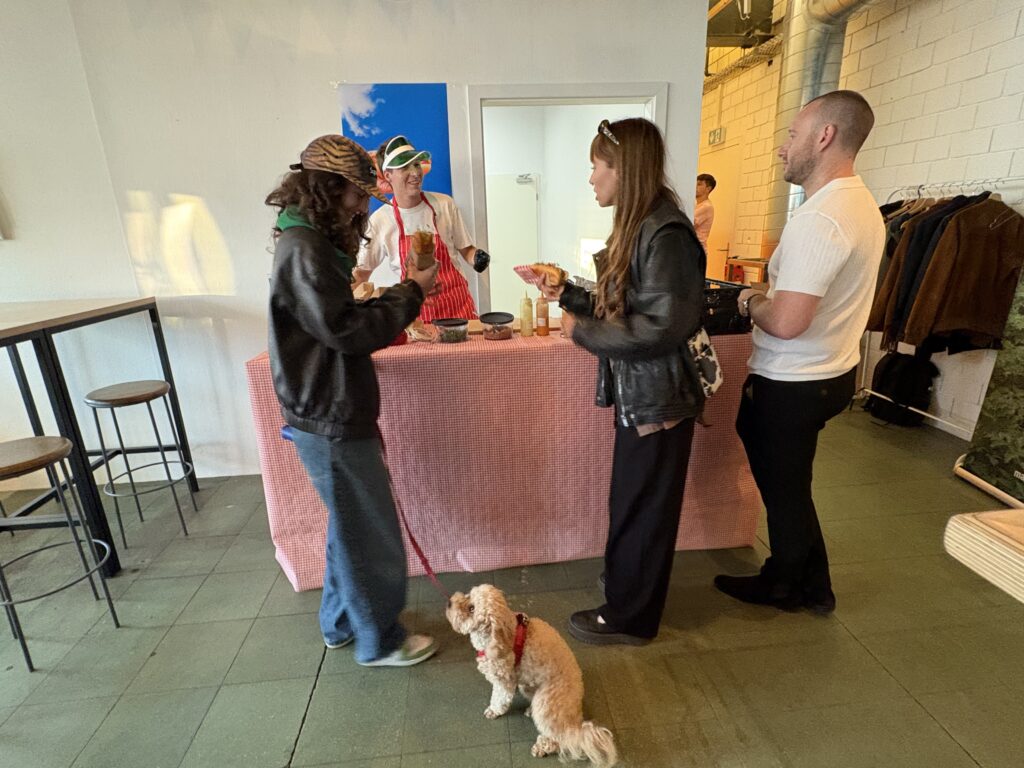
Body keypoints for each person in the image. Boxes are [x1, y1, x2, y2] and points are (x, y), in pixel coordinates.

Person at [265, 134, 440, 666]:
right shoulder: (306, 249)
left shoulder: (305, 240)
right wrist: (411, 292)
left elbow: (336, 322)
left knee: (350, 523)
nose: (362, 206)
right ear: (328, 188)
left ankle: (341, 622)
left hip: (324, 406)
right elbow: (347, 331)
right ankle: (379, 639)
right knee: (368, 529)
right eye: (357, 194)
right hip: (329, 410)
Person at [714, 90, 885, 614]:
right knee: (791, 485)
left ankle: (784, 585)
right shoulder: (861, 203)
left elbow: (787, 321)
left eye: (791, 134)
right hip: (831, 371)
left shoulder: (822, 218)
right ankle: (814, 586)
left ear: (824, 136)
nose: (782, 147)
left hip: (794, 380)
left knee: (785, 490)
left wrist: (748, 299)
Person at [538, 118, 706, 645]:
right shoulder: (645, 225)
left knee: (643, 508)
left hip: (659, 402)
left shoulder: (665, 232)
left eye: (598, 166)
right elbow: (630, 305)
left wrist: (581, 331)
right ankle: (627, 593)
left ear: (624, 169)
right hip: (647, 397)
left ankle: (631, 617)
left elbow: (660, 326)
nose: (591, 178)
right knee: (634, 502)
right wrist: (567, 293)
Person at [354, 135, 489, 321]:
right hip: (416, 317)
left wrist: (478, 258)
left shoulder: (444, 204)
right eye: (404, 167)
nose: (415, 173)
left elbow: (466, 249)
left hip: (459, 310)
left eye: (416, 164)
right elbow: (361, 273)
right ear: (388, 176)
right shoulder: (380, 220)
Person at [694, 173, 716, 252]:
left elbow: (688, 224)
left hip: (697, 250)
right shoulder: (696, 205)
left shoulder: (706, 207)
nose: (695, 186)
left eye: (699, 184)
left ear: (708, 189)